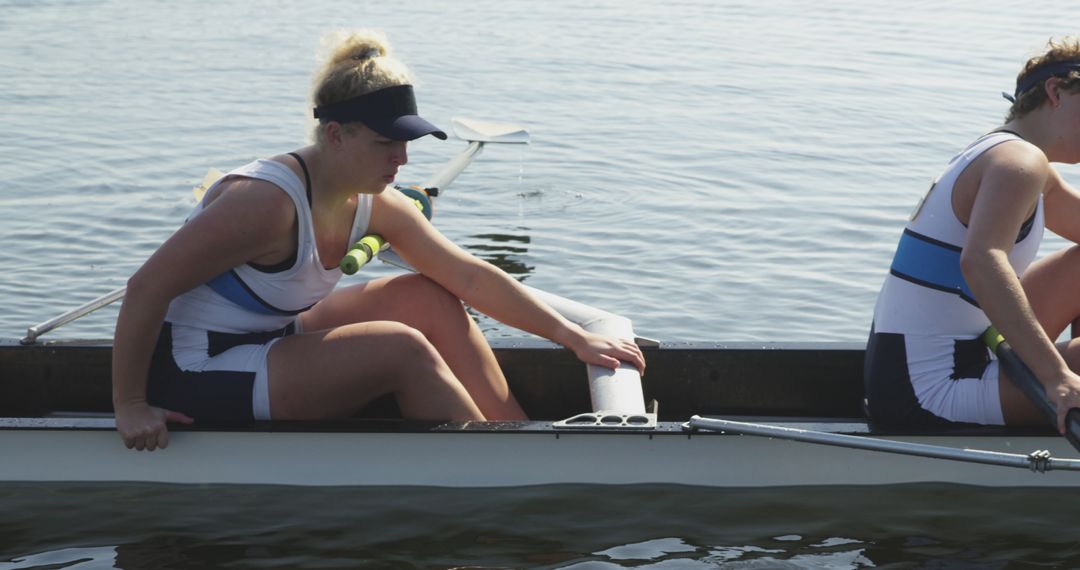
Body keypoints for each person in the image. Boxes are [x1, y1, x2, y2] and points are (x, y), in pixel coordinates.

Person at [112, 31, 645, 451]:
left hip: (269, 335)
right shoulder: (264, 203)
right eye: (387, 143)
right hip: (193, 368)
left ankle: (518, 441)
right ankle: (495, 468)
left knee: (425, 295)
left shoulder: (374, 202)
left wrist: (571, 336)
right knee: (400, 348)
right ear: (337, 135)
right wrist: (131, 407)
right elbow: (145, 289)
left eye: (407, 143)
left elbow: (469, 276)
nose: (403, 160)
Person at [865, 38, 1080, 434]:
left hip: (953, 354)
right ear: (1056, 92)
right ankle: (1067, 383)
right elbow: (980, 262)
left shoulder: (1007, 154)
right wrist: (1056, 377)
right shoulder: (1018, 162)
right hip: (926, 391)